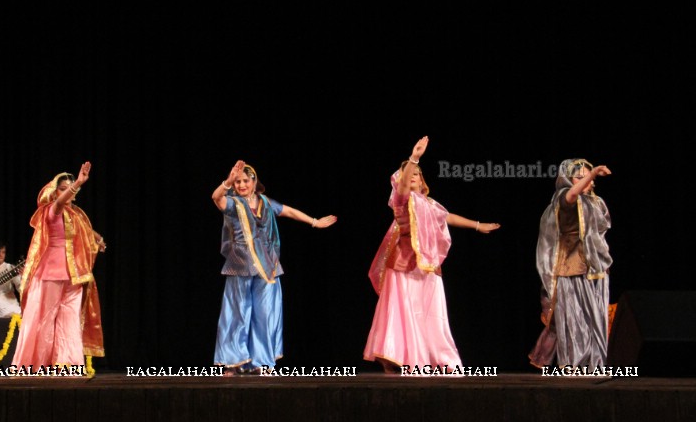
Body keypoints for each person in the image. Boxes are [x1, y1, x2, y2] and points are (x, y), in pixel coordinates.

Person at [363, 136, 500, 374]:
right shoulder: (401, 200)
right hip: (404, 263)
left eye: (417, 172)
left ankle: (438, 359)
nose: (413, 174)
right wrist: (414, 157)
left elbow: (448, 217)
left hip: (428, 265)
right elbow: (403, 187)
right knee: (404, 312)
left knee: (432, 315)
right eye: (408, 172)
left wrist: (478, 225)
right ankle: (401, 358)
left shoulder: (429, 204)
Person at [212, 160, 338, 376]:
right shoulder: (232, 204)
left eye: (245, 181)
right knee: (237, 313)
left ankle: (261, 361)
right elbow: (216, 198)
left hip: (268, 266)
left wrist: (314, 222)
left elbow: (288, 211)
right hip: (240, 264)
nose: (242, 185)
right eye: (238, 181)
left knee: (265, 314)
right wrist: (227, 182)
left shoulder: (265, 203)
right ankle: (233, 361)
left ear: (254, 182)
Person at [11, 162, 106, 372]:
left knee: (70, 322)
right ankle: (36, 365)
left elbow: (84, 232)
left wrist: (97, 239)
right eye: (63, 188)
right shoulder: (51, 210)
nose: (69, 192)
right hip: (50, 274)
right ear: (55, 192)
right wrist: (79, 182)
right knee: (44, 321)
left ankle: (68, 366)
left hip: (74, 275)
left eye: (72, 188)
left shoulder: (76, 215)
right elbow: (60, 205)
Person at [530, 159, 612, 370]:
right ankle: (575, 367)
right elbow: (572, 195)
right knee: (575, 325)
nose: (587, 181)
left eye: (588, 177)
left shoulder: (596, 202)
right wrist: (593, 173)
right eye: (580, 177)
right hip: (571, 270)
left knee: (596, 323)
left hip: (596, 270)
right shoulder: (563, 198)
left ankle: (597, 365)